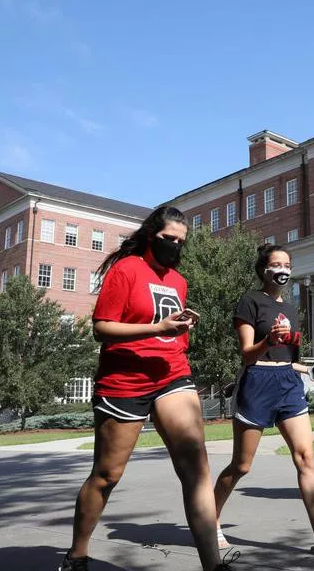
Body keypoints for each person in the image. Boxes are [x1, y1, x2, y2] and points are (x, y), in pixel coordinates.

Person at [60, 206, 228, 571]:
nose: (175, 246)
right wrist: (157, 328)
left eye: (181, 242)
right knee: (107, 475)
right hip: (125, 380)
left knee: (196, 469)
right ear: (151, 234)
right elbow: (102, 328)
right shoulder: (126, 270)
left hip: (172, 373)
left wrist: (179, 327)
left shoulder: (178, 281)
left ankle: (213, 566)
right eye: (169, 238)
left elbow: (167, 325)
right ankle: (77, 555)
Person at [213, 244, 314, 558]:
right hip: (256, 382)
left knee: (306, 459)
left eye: (287, 264)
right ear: (264, 269)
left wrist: (313, 371)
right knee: (242, 465)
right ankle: (211, 520)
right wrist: (268, 340)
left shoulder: (290, 308)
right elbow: (248, 353)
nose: (283, 269)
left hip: (288, 384)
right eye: (276, 264)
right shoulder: (249, 301)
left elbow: (286, 358)